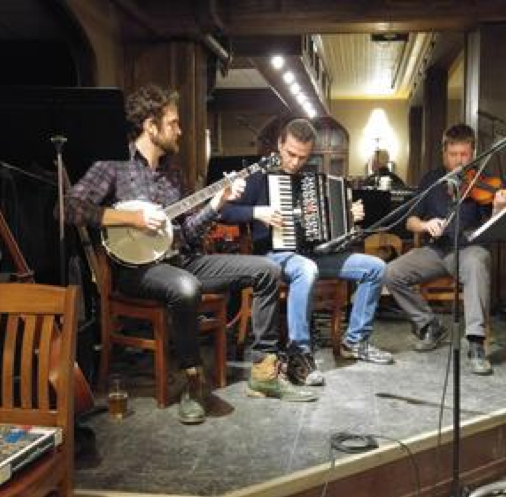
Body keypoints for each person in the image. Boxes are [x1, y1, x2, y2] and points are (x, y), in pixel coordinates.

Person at [64, 85, 316, 425]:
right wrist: (132, 218)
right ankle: (193, 382)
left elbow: (186, 233)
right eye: (173, 123)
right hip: (139, 271)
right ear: (151, 126)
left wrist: (217, 204)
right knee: (185, 287)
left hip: (181, 259)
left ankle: (264, 370)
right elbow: (66, 207)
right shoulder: (113, 166)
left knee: (267, 270)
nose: (180, 130)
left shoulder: (174, 174)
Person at [219, 118, 394, 387]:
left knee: (375, 268)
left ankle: (355, 341)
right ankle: (299, 352)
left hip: (314, 254)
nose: (295, 162)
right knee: (305, 268)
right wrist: (257, 212)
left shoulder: (313, 181)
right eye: (290, 154)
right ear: (280, 144)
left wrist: (349, 216)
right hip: (275, 256)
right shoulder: (259, 178)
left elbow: (329, 226)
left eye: (303, 157)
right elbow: (225, 212)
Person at [384, 124, 506, 375]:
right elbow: (410, 220)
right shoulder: (431, 180)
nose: (459, 161)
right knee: (390, 272)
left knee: (477, 261)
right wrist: (425, 224)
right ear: (444, 153)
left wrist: (498, 208)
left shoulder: (480, 181)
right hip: (436, 250)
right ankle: (429, 324)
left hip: (468, 250)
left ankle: (475, 342)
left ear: (473, 152)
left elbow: (494, 227)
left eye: (465, 154)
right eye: (454, 154)